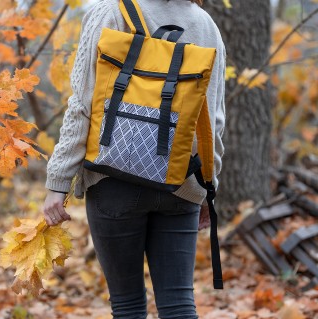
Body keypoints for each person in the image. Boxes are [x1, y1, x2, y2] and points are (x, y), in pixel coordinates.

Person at [42, 0, 226, 317]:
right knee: (179, 304)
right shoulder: (206, 24)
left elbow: (82, 106)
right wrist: (207, 187)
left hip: (114, 178)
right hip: (181, 181)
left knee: (127, 305)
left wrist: (58, 181)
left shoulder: (110, 12)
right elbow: (215, 120)